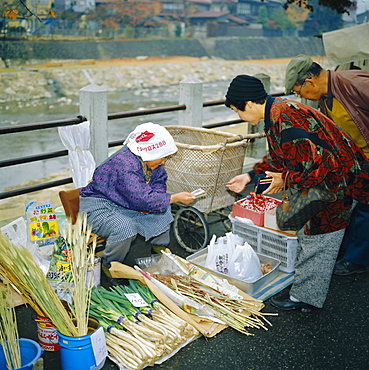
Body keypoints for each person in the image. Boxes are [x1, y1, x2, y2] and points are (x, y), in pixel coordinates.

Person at [225, 74, 369, 311]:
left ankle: (305, 298)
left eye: (237, 111)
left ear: (249, 104)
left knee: (319, 238)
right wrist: (251, 176)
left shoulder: (286, 119)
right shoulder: (276, 112)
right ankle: (305, 291)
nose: (239, 116)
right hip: (331, 181)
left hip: (336, 183)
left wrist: (286, 179)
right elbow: (281, 157)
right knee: (312, 235)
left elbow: (323, 165)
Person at [79, 122, 195, 284]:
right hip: (99, 205)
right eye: (163, 157)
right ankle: (110, 263)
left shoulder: (151, 160)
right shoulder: (124, 163)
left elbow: (158, 183)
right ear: (151, 151)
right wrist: (173, 198)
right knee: (125, 227)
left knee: (163, 211)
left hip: (125, 200)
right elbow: (142, 198)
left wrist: (154, 202)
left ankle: (159, 250)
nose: (163, 161)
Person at [285, 54, 369, 276]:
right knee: (352, 203)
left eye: (297, 91)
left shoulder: (355, 84)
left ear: (309, 82)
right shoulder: (325, 96)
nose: (300, 96)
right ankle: (350, 254)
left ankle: (357, 260)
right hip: (357, 159)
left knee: (365, 207)